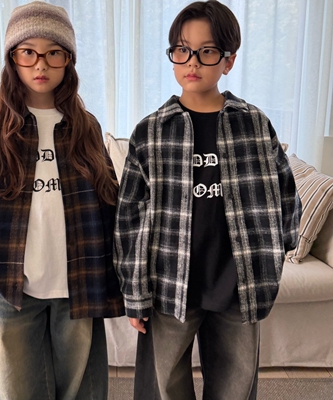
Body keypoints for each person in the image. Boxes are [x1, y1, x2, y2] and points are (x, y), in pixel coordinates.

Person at [113, 1, 302, 399]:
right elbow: (130, 217)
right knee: (163, 387)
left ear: (228, 60)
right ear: (172, 56)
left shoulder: (253, 124)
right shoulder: (151, 132)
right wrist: (134, 292)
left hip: (239, 284)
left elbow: (285, 191)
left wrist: (278, 249)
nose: (193, 62)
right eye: (182, 50)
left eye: (207, 51)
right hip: (169, 284)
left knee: (236, 388)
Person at [0, 2, 124, 399]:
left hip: (77, 283)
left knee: (79, 386)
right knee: (16, 388)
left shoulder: (85, 127)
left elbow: (109, 200)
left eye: (53, 52)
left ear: (68, 60)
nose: (40, 63)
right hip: (12, 288)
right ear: (13, 58)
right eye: (28, 52)